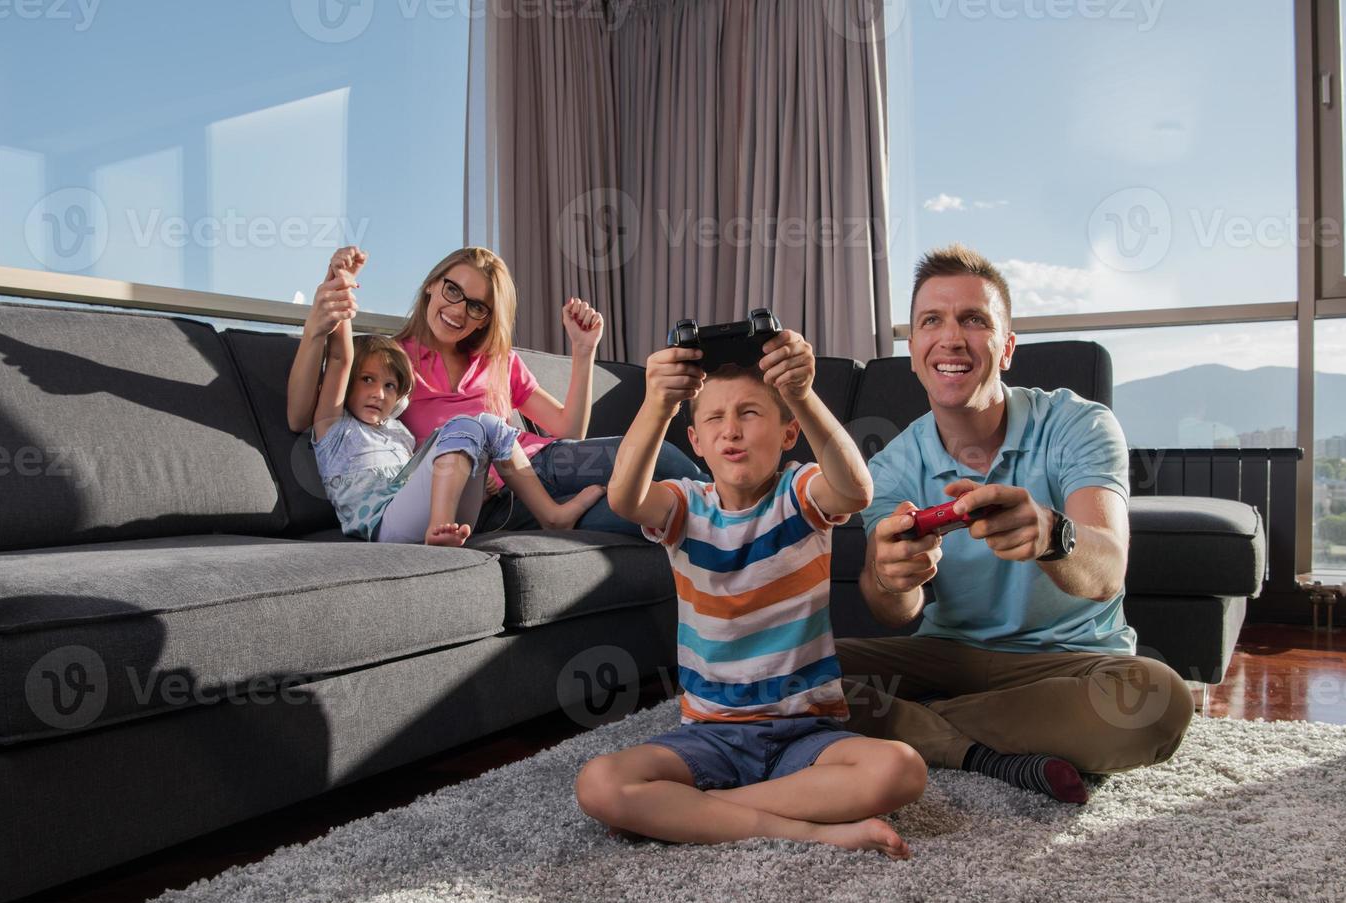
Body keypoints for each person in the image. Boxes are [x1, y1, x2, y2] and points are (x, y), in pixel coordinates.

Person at [841, 243, 1194, 804]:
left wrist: (1053, 536)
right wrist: (892, 577)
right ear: (913, 351)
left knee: (1158, 702)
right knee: (783, 667)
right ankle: (984, 751)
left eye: (973, 320)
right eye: (932, 320)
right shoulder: (888, 467)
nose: (951, 338)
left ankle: (917, 726)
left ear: (1005, 349)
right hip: (945, 657)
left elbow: (1106, 572)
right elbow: (893, 612)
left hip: (1073, 665)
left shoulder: (1080, 424)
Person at [574, 331, 927, 858]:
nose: (731, 430)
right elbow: (625, 497)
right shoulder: (684, 505)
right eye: (714, 419)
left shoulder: (800, 492)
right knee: (597, 783)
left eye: (750, 414)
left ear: (788, 433)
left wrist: (803, 393)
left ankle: (705, 811)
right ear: (694, 441)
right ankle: (808, 828)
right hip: (709, 736)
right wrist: (657, 403)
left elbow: (855, 490)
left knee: (901, 769)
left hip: (803, 733)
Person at [288, 246, 704, 535]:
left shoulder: (497, 361)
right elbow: (307, 413)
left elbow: (568, 429)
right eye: (453, 290)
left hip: (547, 462)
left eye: (476, 306)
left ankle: (744, 508)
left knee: (664, 459)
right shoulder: (389, 364)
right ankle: (731, 517)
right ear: (432, 284)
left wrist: (583, 352)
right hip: (491, 502)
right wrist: (323, 316)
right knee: (634, 515)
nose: (457, 311)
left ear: (486, 318)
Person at [309, 319, 602, 545]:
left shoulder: (399, 433)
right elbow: (339, 358)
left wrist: (476, 483)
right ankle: (438, 529)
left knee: (488, 422)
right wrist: (343, 294)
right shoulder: (334, 428)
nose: (379, 394)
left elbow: (421, 482)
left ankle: (552, 516)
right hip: (382, 524)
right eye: (367, 380)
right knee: (462, 424)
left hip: (436, 516)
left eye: (389, 386)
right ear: (347, 384)